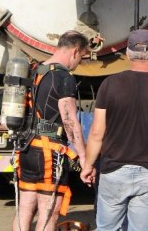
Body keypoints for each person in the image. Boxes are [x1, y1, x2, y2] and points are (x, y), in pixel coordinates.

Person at [81, 29, 148, 231]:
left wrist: (88, 164)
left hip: (113, 170)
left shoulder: (109, 85)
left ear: (127, 54)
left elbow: (96, 133)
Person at [13, 30, 89, 231]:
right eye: (81, 56)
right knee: (49, 210)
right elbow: (70, 120)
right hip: (49, 153)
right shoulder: (64, 78)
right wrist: (82, 155)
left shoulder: (36, 70)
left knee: (25, 208)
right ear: (75, 51)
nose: (79, 62)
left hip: (27, 148)